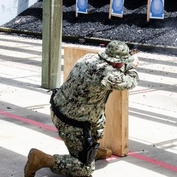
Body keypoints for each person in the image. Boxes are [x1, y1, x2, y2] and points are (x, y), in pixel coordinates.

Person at [24, 40, 139, 177]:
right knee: (85, 169)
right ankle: (42, 160)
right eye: (122, 62)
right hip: (71, 124)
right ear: (116, 61)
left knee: (99, 118)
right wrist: (131, 65)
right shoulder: (107, 73)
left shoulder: (89, 57)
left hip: (59, 108)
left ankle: (91, 151)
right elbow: (131, 81)